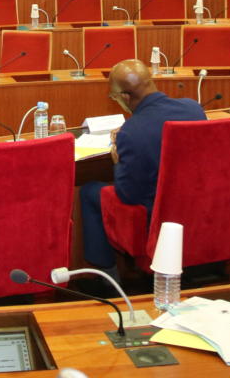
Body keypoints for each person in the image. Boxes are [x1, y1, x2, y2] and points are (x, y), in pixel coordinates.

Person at [77, 59, 206, 271]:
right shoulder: (193, 109)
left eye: (114, 97)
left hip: (155, 220)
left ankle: (105, 275)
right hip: (198, 209)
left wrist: (118, 161)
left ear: (125, 97)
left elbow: (128, 195)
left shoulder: (131, 131)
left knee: (89, 191)